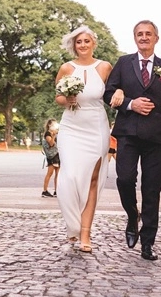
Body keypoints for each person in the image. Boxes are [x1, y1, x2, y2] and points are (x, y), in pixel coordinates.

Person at [104, 20, 161, 261]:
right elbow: (108, 93)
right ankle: (131, 215)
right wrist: (130, 103)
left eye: (148, 34)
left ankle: (148, 242)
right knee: (125, 179)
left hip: (155, 138)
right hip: (127, 133)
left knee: (152, 190)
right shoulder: (123, 63)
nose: (144, 37)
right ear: (135, 38)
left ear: (156, 38)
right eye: (140, 34)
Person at [53, 25, 112, 253]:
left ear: (93, 43)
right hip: (71, 128)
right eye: (79, 42)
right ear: (74, 45)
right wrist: (66, 99)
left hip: (96, 127)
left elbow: (114, 90)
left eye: (87, 41)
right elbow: (57, 96)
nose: (83, 45)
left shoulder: (105, 67)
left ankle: (85, 233)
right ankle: (72, 225)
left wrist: (118, 93)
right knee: (68, 177)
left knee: (92, 181)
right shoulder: (66, 68)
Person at [41, 119, 60, 197]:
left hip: (57, 155)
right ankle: (45, 191)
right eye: (53, 124)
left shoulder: (56, 132)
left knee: (58, 174)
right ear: (49, 125)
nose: (54, 125)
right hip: (52, 156)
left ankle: (57, 191)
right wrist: (54, 135)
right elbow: (51, 144)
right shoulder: (48, 134)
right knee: (50, 173)